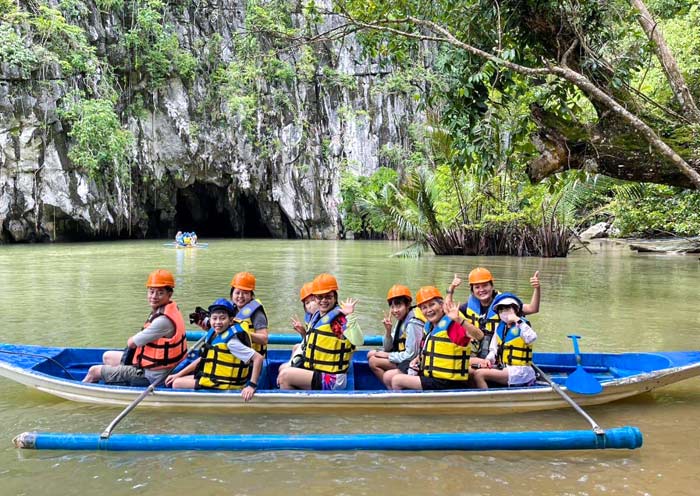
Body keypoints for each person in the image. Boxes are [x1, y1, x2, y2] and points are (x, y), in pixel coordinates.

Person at [82, 269, 188, 386]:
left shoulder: (163, 321)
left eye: (160, 293)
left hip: (152, 376)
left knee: (93, 371)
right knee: (107, 357)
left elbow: (131, 343)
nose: (154, 296)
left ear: (169, 294)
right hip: (155, 366)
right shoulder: (169, 309)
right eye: (151, 292)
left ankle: (85, 390)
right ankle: (114, 381)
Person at [277, 273, 363, 390]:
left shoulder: (339, 320)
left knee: (284, 377)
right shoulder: (317, 315)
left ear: (335, 297)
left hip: (332, 379)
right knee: (283, 369)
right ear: (315, 298)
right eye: (319, 297)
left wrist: (350, 316)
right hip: (318, 370)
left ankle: (296, 407)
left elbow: (359, 341)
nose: (323, 300)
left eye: (328, 297)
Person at [165, 298, 262, 401]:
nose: (218, 322)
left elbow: (258, 358)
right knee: (176, 378)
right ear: (210, 319)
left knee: (176, 383)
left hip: (223, 384)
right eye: (214, 318)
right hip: (214, 378)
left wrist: (251, 385)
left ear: (230, 320)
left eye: (222, 318)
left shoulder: (231, 343)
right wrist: (177, 374)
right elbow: (204, 358)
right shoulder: (215, 334)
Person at [446, 267, 540, 368]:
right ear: (472, 290)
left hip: (497, 354)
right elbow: (448, 309)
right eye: (477, 287)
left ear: (492, 286)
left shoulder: (504, 304)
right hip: (480, 351)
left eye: (485, 285)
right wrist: (451, 289)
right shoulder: (469, 306)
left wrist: (537, 288)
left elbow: (532, 308)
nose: (481, 290)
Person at [391, 286, 475, 391]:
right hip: (431, 374)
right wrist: (417, 359)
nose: (428, 310)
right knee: (390, 375)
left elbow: (478, 336)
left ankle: (405, 406)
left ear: (441, 305)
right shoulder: (429, 326)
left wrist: (460, 321)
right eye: (424, 307)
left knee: (397, 380)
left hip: (447, 381)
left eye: (432, 305)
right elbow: (427, 350)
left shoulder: (453, 325)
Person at [191, 272, 270, 357]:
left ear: (251, 295)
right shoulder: (231, 309)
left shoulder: (256, 313)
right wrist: (209, 329)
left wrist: (239, 333)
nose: (240, 296)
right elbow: (226, 332)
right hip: (234, 355)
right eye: (237, 293)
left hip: (250, 359)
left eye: (245, 293)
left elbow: (264, 339)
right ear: (232, 294)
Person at [470, 293, 537, 389]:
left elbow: (532, 337)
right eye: (501, 310)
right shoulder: (500, 327)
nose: (504, 312)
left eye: (507, 309)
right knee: (471, 371)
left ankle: (488, 400)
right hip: (504, 367)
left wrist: (517, 320)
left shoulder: (522, 325)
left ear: (516, 310)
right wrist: (488, 360)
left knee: (479, 374)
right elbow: (493, 349)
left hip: (520, 371)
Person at [367, 284, 425, 388]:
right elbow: (388, 347)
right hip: (404, 357)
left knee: (373, 361)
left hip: (413, 362)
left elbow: (411, 355)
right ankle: (391, 387)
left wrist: (388, 356)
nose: (395, 310)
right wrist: (388, 331)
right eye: (392, 306)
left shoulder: (413, 323)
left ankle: (391, 389)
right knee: (370, 354)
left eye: (398, 306)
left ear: (408, 305)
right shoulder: (401, 320)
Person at [278, 281, 318, 373]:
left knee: (283, 369)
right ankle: (292, 369)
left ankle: (291, 373)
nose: (311, 305)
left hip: (319, 361)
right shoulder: (312, 319)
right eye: (307, 303)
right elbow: (310, 341)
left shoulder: (325, 319)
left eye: (313, 300)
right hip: (312, 354)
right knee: (296, 347)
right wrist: (303, 332)